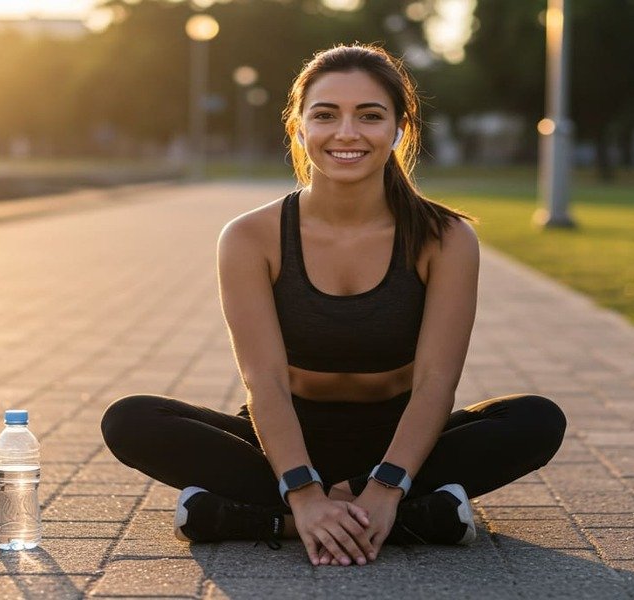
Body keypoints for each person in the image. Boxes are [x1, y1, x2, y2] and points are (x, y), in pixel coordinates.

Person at [101, 44, 566, 567]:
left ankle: (263, 518)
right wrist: (303, 490)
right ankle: (402, 519)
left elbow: (437, 381)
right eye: (325, 115)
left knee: (536, 420)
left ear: (399, 129)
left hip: (401, 439)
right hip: (286, 437)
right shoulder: (250, 237)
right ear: (299, 128)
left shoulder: (446, 237)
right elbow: (264, 381)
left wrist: (386, 483)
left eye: (369, 116)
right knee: (130, 420)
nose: (347, 133)